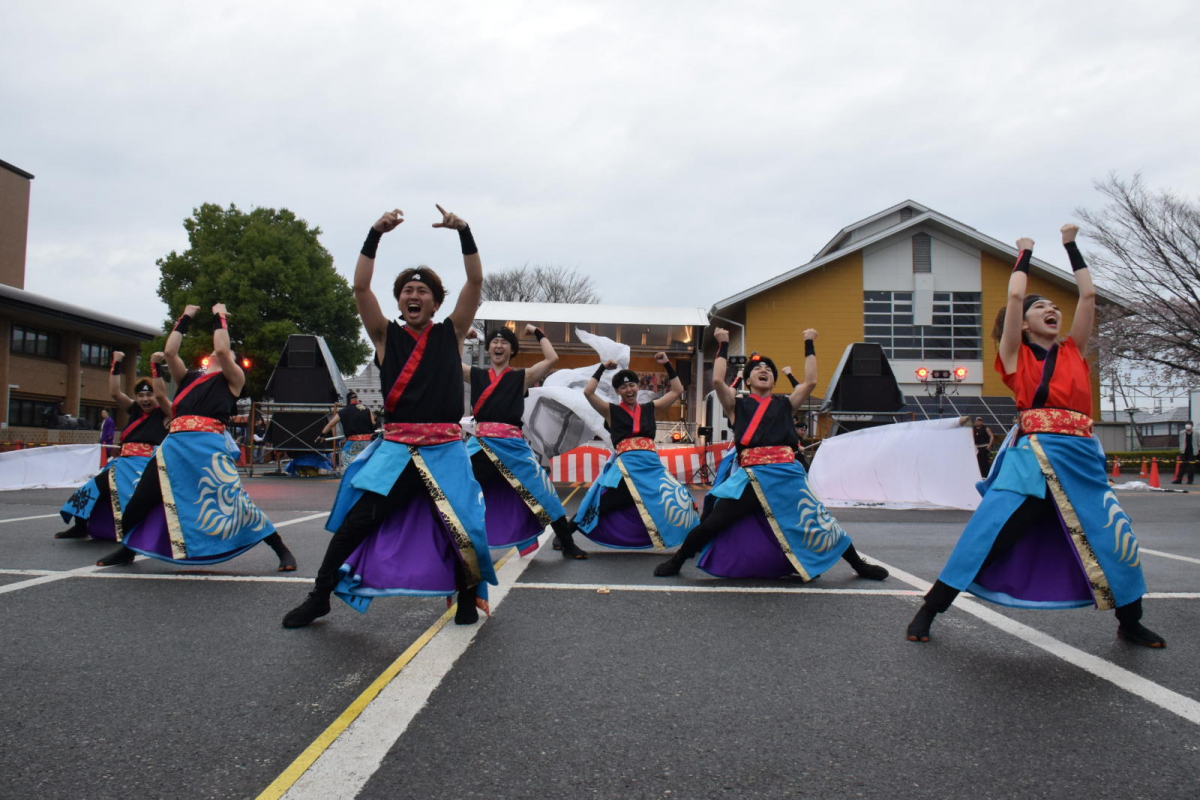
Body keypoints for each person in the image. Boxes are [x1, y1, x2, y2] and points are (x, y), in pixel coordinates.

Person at [906, 225, 1164, 647]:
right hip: (1033, 456)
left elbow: (1089, 297)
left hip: (1081, 455)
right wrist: (1023, 254)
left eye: (1053, 306)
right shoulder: (1015, 355)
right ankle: (930, 609)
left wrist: (1071, 246)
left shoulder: (1074, 351)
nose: (1052, 310)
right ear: (1022, 324)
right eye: (1039, 306)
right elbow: (1011, 298)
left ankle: (1130, 621)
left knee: (1113, 537)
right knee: (994, 532)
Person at [283, 206, 496, 629]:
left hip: (445, 449)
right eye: (406, 291)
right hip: (397, 449)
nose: (413, 295)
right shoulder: (384, 335)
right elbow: (360, 286)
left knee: (466, 525)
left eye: (422, 291)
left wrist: (465, 232)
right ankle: (319, 595)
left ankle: (467, 597)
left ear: (435, 302)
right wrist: (374, 234)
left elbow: (475, 281)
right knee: (354, 523)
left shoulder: (451, 333)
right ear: (399, 300)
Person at [654, 329, 888, 581]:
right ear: (747, 380)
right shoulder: (736, 406)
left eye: (768, 368)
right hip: (751, 478)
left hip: (786, 475)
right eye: (757, 368)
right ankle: (678, 560)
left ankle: (859, 565)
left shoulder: (785, 404)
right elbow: (718, 382)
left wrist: (809, 342)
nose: (763, 370)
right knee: (713, 522)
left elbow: (809, 382)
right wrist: (722, 344)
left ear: (773, 380)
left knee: (819, 521)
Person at [95, 303, 296, 571]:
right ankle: (127, 549)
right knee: (142, 497)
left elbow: (223, 349)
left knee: (235, 501)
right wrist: (186, 316)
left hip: (207, 447)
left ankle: (281, 549)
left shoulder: (233, 378)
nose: (216, 351)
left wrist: (220, 315)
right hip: (174, 446)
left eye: (224, 352)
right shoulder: (189, 378)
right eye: (214, 350)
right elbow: (170, 351)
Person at [463, 325, 588, 558]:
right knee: (458, 488)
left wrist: (538, 332)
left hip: (513, 446)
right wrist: (460, 335)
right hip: (481, 444)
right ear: (488, 348)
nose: (499, 346)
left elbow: (552, 358)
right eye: (494, 342)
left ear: (512, 350)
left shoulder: (522, 377)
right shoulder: (476, 375)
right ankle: (452, 544)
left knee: (545, 493)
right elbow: (448, 361)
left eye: (505, 342)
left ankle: (567, 544)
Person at [572, 354, 700, 550]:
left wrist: (667, 363)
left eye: (632, 385)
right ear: (617, 391)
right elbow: (589, 393)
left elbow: (678, 390)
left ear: (638, 387)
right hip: (627, 467)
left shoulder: (651, 408)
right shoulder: (610, 411)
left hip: (651, 467)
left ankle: (694, 541)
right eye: (623, 387)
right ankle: (565, 532)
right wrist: (602, 368)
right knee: (604, 503)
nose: (629, 389)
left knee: (677, 496)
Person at [57, 352, 171, 540]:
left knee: (134, 500)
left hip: (145, 467)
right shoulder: (134, 409)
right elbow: (115, 392)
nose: (145, 399)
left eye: (149, 395)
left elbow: (160, 393)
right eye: (141, 395)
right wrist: (116, 363)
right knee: (91, 489)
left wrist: (155, 366)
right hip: (122, 463)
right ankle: (80, 526)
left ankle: (135, 534)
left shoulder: (166, 413)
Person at [319, 391, 376, 468]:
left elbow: (331, 424)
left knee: (348, 461)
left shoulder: (343, 411)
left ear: (348, 400)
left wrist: (322, 435)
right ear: (357, 399)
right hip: (368, 441)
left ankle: (352, 477)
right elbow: (373, 422)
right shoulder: (367, 409)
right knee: (367, 463)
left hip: (353, 442)